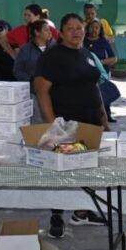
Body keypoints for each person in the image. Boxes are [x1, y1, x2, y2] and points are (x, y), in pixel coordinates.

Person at [34, 13, 109, 237]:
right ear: (61, 32)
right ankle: (57, 217)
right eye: (70, 28)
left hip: (91, 124)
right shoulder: (52, 56)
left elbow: (94, 87)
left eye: (79, 28)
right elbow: (41, 90)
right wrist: (53, 126)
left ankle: (82, 212)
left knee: (86, 169)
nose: (76, 32)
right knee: (62, 173)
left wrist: (104, 118)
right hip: (66, 127)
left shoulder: (86, 54)